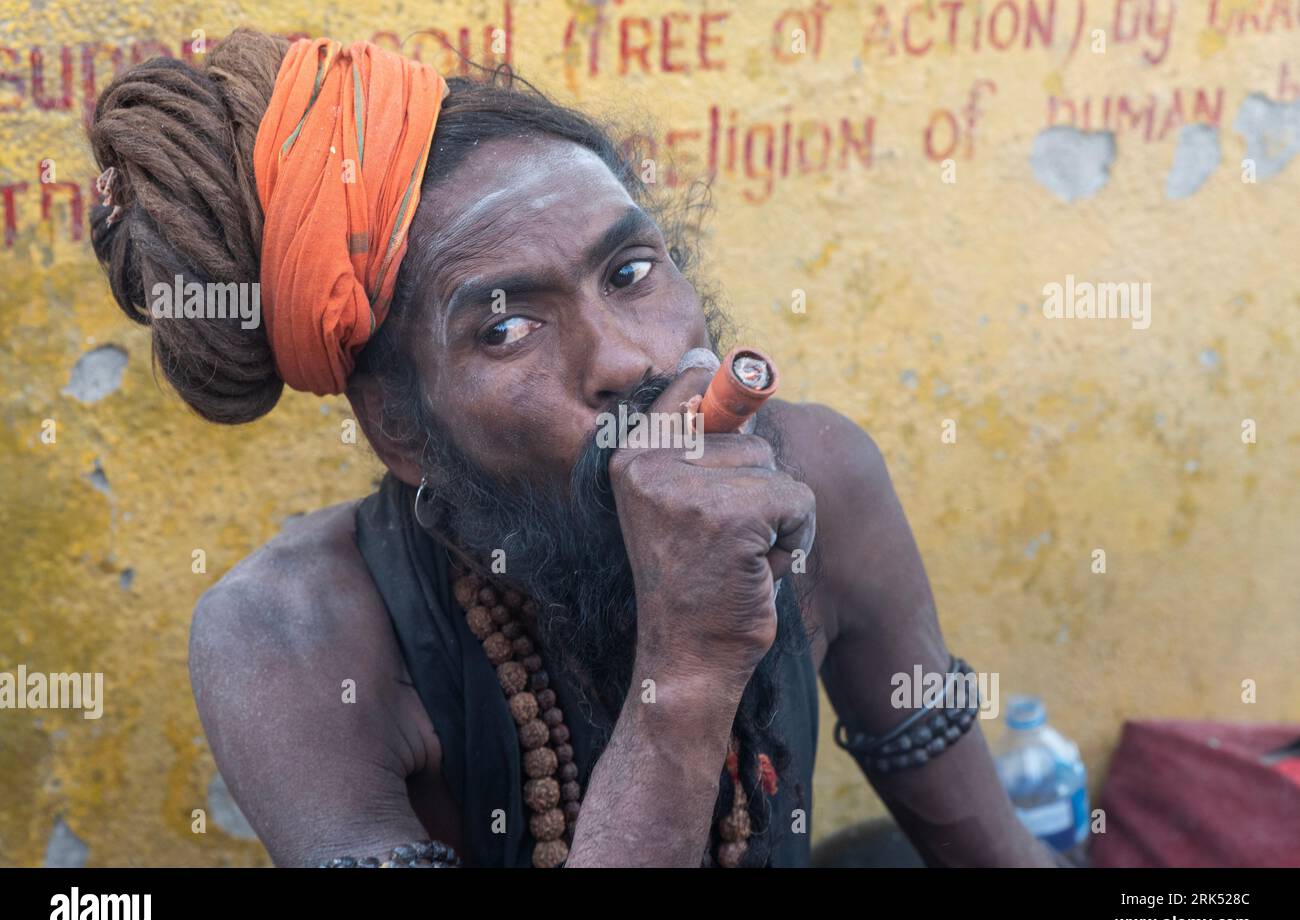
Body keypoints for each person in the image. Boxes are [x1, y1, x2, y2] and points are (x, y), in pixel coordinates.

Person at [86, 27, 1059, 868]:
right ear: (401, 431)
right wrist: (685, 670)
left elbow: (978, 841)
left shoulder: (819, 480)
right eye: (506, 329)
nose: (629, 358)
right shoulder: (283, 635)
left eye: (631, 271)